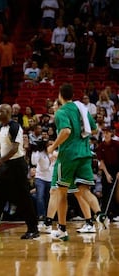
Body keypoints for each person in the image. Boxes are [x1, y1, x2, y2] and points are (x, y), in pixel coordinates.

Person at [47, 84, 108, 241]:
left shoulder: (61, 111)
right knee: (84, 191)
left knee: (61, 191)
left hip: (68, 155)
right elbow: (94, 129)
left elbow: (66, 131)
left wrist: (53, 146)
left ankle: (61, 229)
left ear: (60, 95)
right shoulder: (81, 109)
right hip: (85, 154)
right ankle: (100, 215)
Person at [0, 104, 39, 240]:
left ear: (10, 113)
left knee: (23, 197)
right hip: (6, 165)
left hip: (17, 165)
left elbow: (14, 149)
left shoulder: (15, 127)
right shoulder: (2, 127)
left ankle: (33, 229)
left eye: (3, 111)